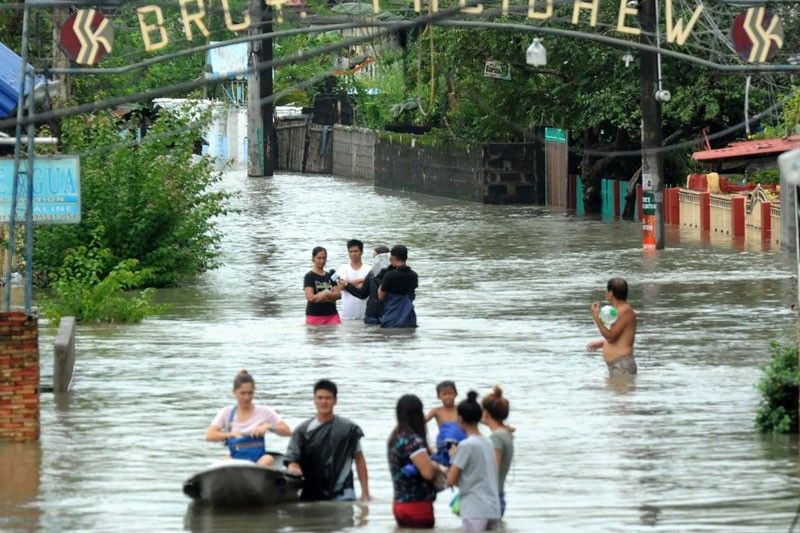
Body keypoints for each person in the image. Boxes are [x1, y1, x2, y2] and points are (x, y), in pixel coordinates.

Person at [284, 380, 370, 501]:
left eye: (328, 398)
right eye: (320, 398)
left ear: (335, 401)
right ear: (314, 400)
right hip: (313, 490)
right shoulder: (302, 431)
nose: (324, 402)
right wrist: (294, 468)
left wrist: (365, 492)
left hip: (343, 491)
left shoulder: (348, 429)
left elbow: (359, 459)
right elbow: (292, 458)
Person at [205, 370, 293, 467]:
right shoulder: (226, 413)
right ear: (234, 392)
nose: (246, 397)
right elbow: (209, 435)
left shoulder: (265, 412)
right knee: (224, 461)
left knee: (268, 459)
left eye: (250, 393)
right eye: (242, 393)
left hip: (259, 461)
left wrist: (268, 427)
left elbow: (288, 432)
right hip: (235, 458)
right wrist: (230, 435)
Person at [446, 391, 501, 531]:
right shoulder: (488, 442)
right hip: (493, 508)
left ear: (460, 419)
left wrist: (452, 457)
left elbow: (451, 480)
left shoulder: (465, 445)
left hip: (475, 508)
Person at [388, 394, 443, 528]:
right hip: (418, 506)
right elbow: (428, 473)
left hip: (399, 504)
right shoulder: (413, 441)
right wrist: (436, 466)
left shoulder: (395, 437)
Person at [586, 277, 638, 376]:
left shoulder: (625, 311)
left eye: (607, 290)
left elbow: (611, 337)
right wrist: (602, 343)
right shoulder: (619, 310)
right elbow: (620, 337)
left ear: (611, 293)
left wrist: (596, 318)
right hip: (618, 365)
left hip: (622, 365)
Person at [481, 386, 513, 517]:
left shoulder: (496, 437)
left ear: (486, 413)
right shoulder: (505, 433)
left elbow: (493, 470)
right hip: (498, 495)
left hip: (491, 498)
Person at [339, 245, 391, 324]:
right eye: (373, 258)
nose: (374, 260)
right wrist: (347, 285)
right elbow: (362, 294)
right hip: (372, 315)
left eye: (376, 257)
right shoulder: (371, 274)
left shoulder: (393, 275)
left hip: (386, 314)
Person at [425, 380, 466, 467]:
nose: (448, 397)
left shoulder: (461, 409)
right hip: (444, 445)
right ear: (439, 396)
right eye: (444, 394)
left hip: (461, 443)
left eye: (450, 393)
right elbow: (421, 421)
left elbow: (475, 419)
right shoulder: (436, 411)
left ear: (456, 394)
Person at [377, 244, 418, 328]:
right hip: (408, 316)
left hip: (392, 316)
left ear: (393, 258)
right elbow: (412, 296)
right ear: (406, 257)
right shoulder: (414, 275)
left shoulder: (389, 275)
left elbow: (380, 297)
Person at [304, 246, 342, 325]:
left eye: (324, 258)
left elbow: (338, 294)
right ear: (313, 258)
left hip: (332, 315)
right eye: (319, 258)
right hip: (315, 315)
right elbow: (310, 297)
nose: (322, 261)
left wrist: (326, 293)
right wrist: (330, 297)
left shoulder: (331, 275)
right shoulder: (309, 276)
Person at [336, 239, 372, 320]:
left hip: (365, 315)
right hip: (347, 315)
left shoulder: (369, 269)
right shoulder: (343, 268)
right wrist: (362, 280)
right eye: (350, 251)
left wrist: (347, 285)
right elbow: (340, 287)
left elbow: (366, 288)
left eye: (356, 251)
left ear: (362, 252)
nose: (353, 254)